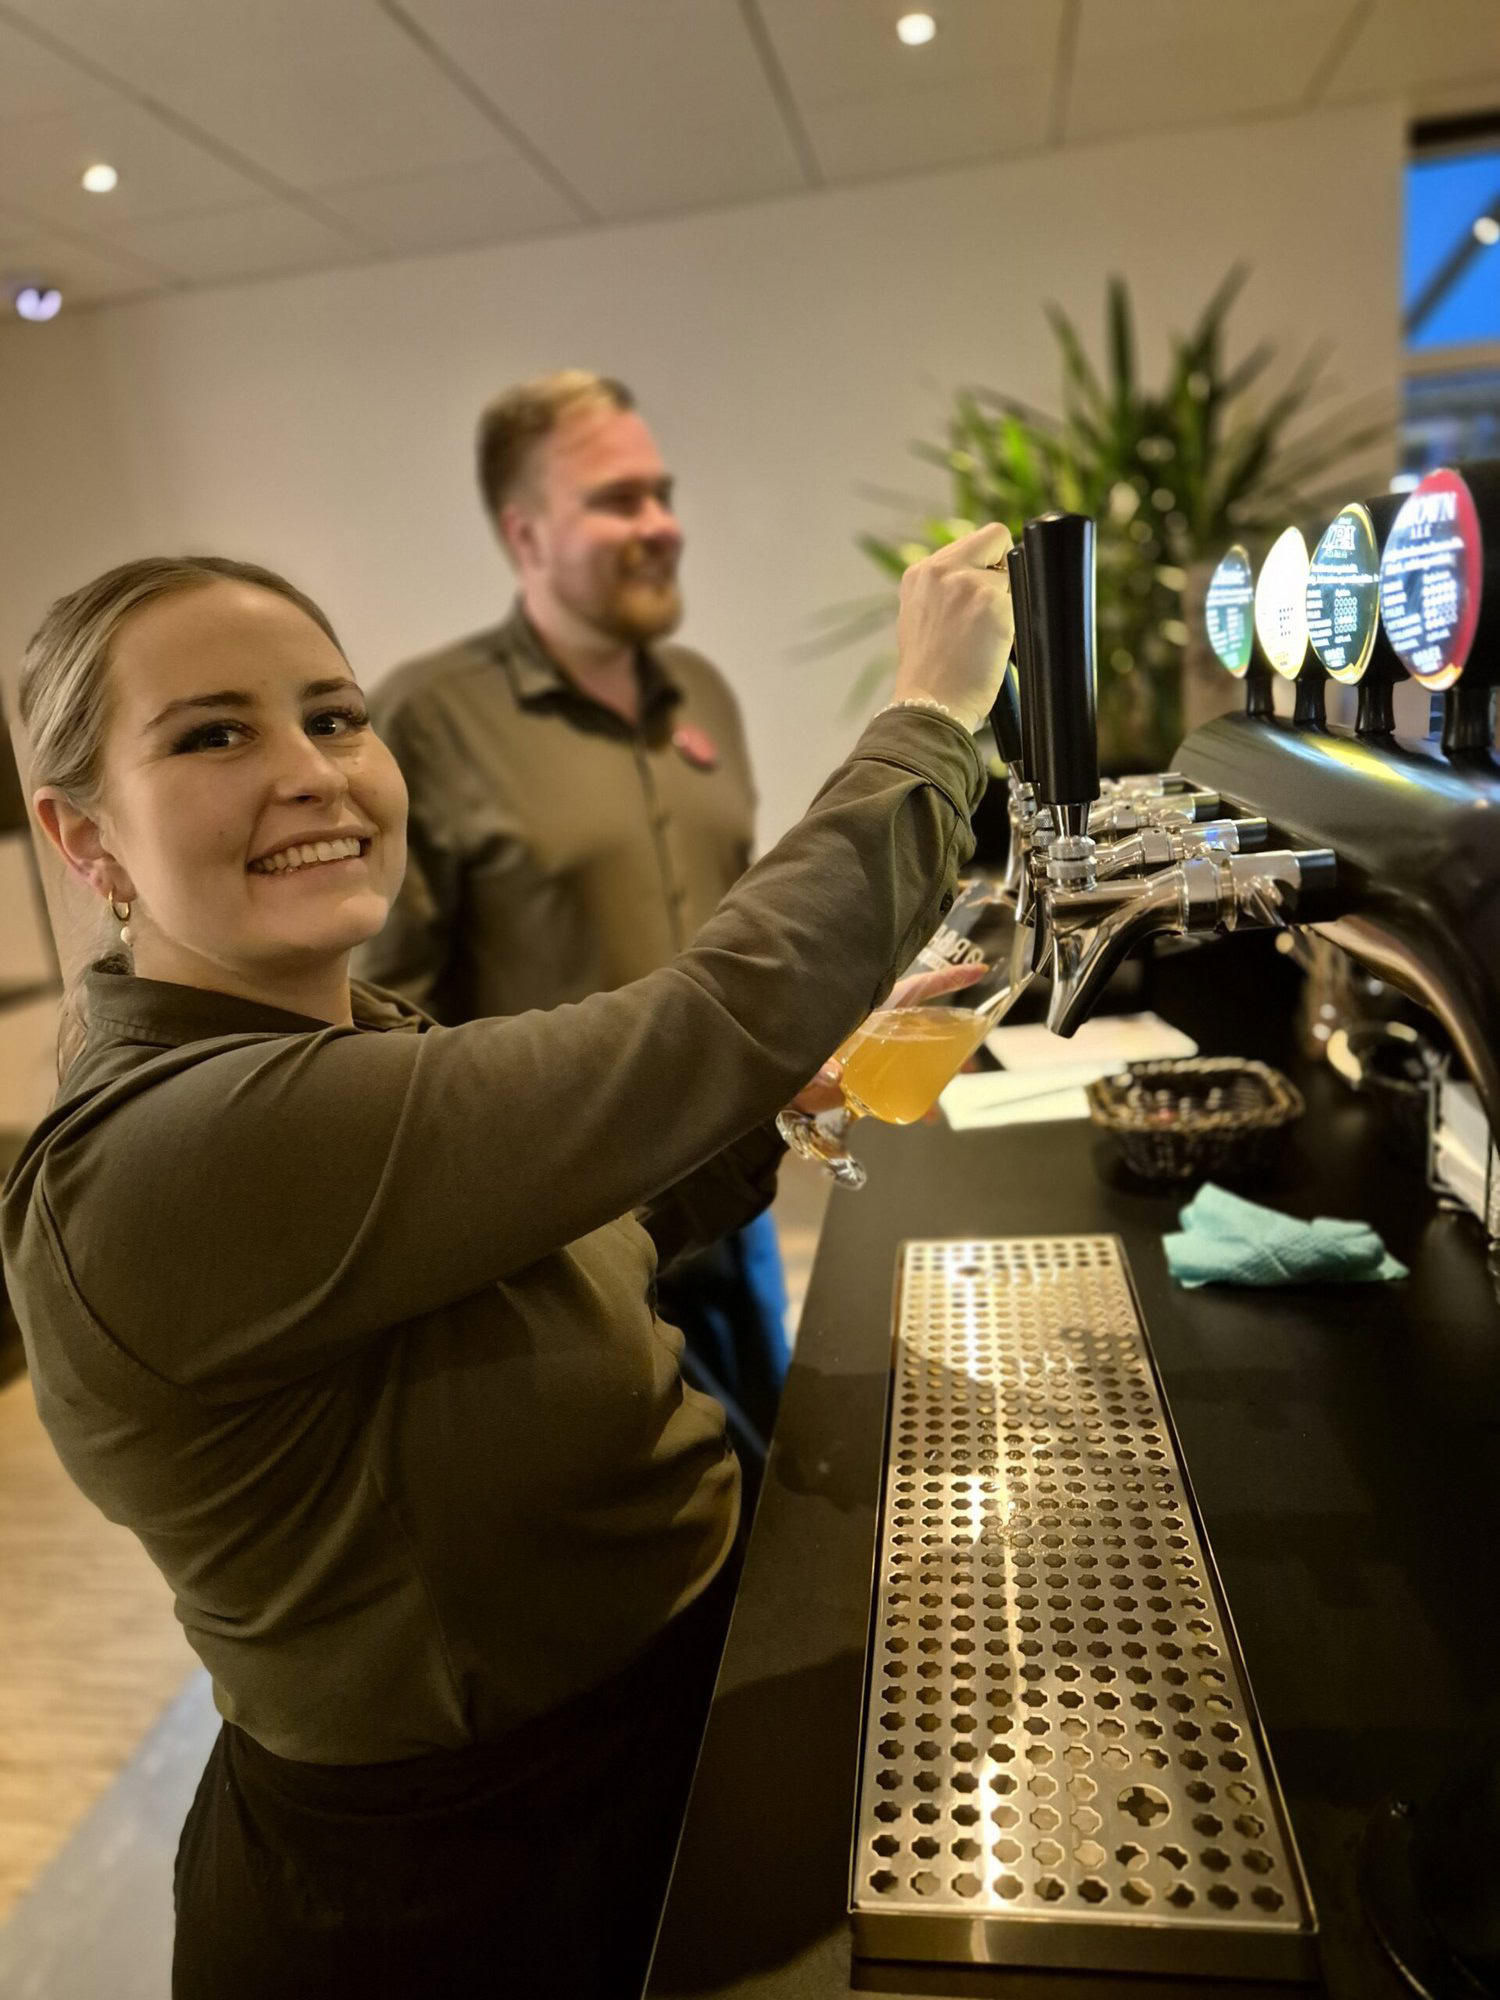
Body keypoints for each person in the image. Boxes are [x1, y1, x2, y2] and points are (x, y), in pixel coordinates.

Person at [0, 525, 1011, 1999]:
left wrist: (774, 1104)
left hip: (638, 1760)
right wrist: (931, 720)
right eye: (214, 734)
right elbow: (705, 1020)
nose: (312, 770)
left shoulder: (332, 1045)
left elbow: (576, 1231)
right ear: (86, 838)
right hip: (470, 1894)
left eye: (334, 716)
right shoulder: (180, 1145)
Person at [357, 370, 786, 1464]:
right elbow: (386, 1027)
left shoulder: (702, 692)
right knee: (668, 1552)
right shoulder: (426, 718)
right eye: (617, 501)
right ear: (526, 534)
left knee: (782, 1494)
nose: (661, 527)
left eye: (661, 492)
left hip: (742, 1199)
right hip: (579, 1247)